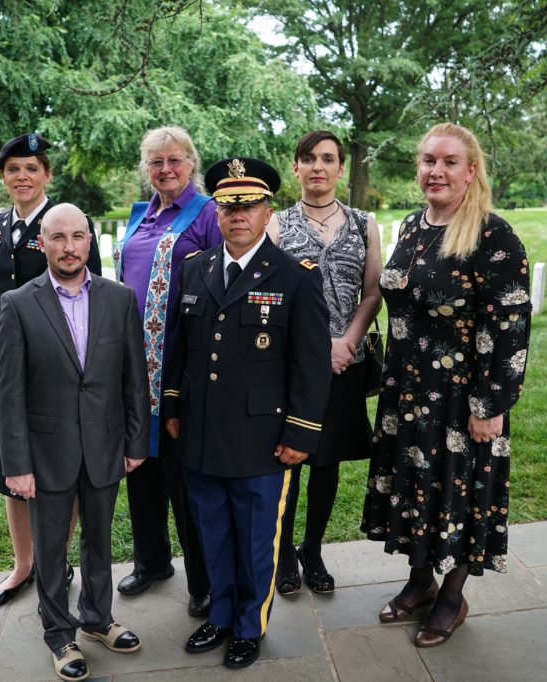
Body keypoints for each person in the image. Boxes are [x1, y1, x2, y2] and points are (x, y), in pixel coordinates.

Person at [360, 123, 531, 647]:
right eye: (428, 160)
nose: (436, 170)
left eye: (449, 162)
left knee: (457, 493)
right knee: (416, 490)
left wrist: (491, 404)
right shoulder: (413, 226)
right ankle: (419, 582)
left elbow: (510, 327)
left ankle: (452, 597)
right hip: (408, 393)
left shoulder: (492, 235)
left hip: (462, 399)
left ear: (470, 171)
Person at [162, 157, 331, 669]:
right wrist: (172, 404)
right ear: (215, 211)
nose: (239, 214)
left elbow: (311, 364)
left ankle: (248, 626)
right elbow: (178, 346)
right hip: (202, 430)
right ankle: (221, 612)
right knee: (211, 530)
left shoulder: (295, 277)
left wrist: (300, 431)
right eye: (229, 205)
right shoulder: (195, 268)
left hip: (263, 437)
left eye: (250, 205)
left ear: (267, 210)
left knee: (258, 537)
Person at [0, 203, 149, 681]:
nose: (69, 246)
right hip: (46, 452)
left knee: (99, 541)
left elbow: (134, 378)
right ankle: (59, 634)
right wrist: (16, 463)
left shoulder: (119, 299)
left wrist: (136, 441)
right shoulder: (18, 304)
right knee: (52, 549)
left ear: (90, 241)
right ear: (43, 243)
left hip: (104, 445)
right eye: (58, 237)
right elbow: (7, 392)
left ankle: (98, 618)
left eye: (78, 236)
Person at [0, 133, 102, 609]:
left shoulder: (65, 225)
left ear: (47, 174)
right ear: (3, 178)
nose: (22, 177)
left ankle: (57, 558)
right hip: (5, 368)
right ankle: (24, 565)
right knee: (14, 468)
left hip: (55, 368)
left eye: (31, 168)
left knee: (58, 468)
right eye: (13, 170)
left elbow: (87, 295)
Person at [266, 130, 381, 595]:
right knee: (291, 459)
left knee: (327, 461)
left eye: (327, 159)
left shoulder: (362, 222)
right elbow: (270, 296)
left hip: (346, 361)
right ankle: (283, 552)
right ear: (295, 167)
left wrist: (346, 341)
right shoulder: (276, 224)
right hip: (293, 363)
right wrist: (319, 347)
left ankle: (312, 550)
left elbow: (372, 292)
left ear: (339, 169)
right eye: (308, 158)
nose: (318, 167)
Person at [112, 126, 218, 617]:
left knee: (184, 480)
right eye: (155, 162)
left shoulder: (207, 214)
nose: (165, 170)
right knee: (140, 469)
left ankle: (204, 578)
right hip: (132, 368)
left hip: (181, 367)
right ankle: (152, 561)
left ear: (191, 163)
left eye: (173, 160)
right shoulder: (141, 216)